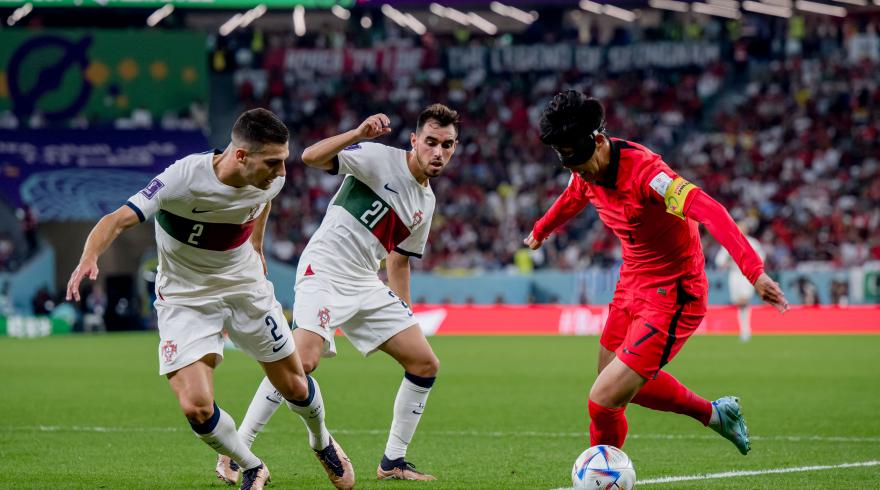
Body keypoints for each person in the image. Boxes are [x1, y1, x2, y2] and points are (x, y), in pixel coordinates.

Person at [65, 108, 354, 490]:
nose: (282, 173)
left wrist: (257, 243)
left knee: (295, 386)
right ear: (240, 156)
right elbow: (116, 219)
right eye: (272, 162)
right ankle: (251, 464)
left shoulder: (270, 180)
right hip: (185, 298)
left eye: (283, 161)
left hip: (244, 288)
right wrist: (89, 256)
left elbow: (262, 202)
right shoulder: (182, 179)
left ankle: (321, 441)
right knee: (196, 407)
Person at [523, 91, 789, 455]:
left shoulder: (650, 176)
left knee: (602, 398)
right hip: (631, 281)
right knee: (611, 385)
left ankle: (605, 475)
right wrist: (541, 230)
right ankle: (715, 415)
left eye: (579, 161)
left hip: (674, 292)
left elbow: (712, 212)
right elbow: (574, 194)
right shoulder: (584, 169)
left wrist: (754, 272)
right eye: (568, 164)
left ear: (599, 141)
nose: (577, 172)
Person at [216, 104, 458, 483]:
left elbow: (398, 262)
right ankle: (237, 451)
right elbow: (311, 157)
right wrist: (358, 134)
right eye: (431, 142)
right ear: (414, 141)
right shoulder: (379, 158)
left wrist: (403, 315)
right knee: (301, 362)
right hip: (325, 269)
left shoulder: (426, 203)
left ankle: (393, 461)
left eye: (447, 145)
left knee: (425, 363)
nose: (438, 152)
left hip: (365, 281)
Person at [714, 221, 766, 342]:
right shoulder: (729, 242)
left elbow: (761, 257)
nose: (741, 229)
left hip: (747, 275)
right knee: (738, 302)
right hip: (734, 274)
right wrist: (727, 260)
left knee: (744, 299)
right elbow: (719, 261)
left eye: (742, 227)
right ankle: (743, 329)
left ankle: (746, 330)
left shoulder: (753, 243)